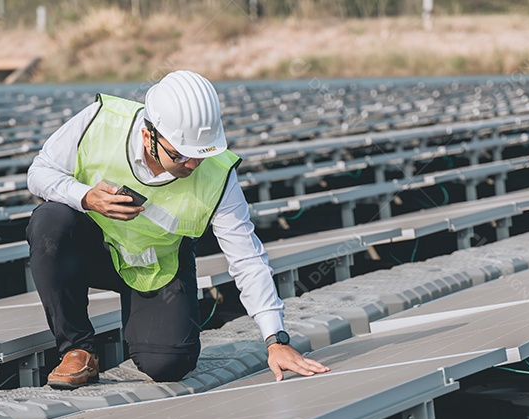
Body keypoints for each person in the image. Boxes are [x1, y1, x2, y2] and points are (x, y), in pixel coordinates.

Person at [25, 69, 329, 389]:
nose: (193, 165)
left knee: (168, 363)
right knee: (49, 221)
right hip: (92, 252)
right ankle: (77, 349)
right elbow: (39, 172)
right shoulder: (99, 122)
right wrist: (84, 197)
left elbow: (246, 257)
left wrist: (275, 339)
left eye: (201, 153)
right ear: (148, 136)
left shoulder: (217, 175)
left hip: (156, 265)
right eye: (181, 154)